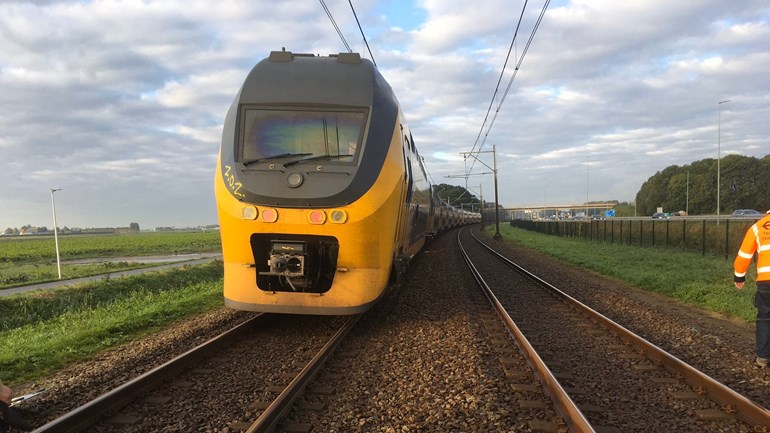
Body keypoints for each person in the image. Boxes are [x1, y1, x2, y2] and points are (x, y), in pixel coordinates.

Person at [733, 209, 770, 368]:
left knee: (765, 317)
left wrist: (739, 275)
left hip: (765, 282)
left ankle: (763, 357)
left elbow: (744, 254)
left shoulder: (758, 227)